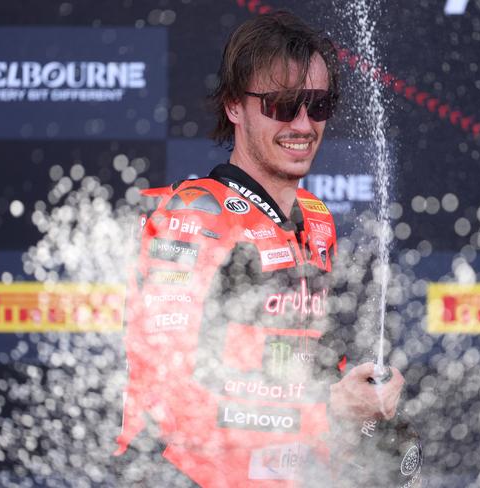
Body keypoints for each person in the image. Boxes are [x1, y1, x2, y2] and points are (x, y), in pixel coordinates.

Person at [116, 10, 405, 487]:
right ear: (234, 106)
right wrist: (325, 409)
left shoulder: (316, 218)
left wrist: (358, 414)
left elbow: (310, 366)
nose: (303, 123)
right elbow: (169, 395)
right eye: (282, 104)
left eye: (318, 104)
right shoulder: (195, 218)